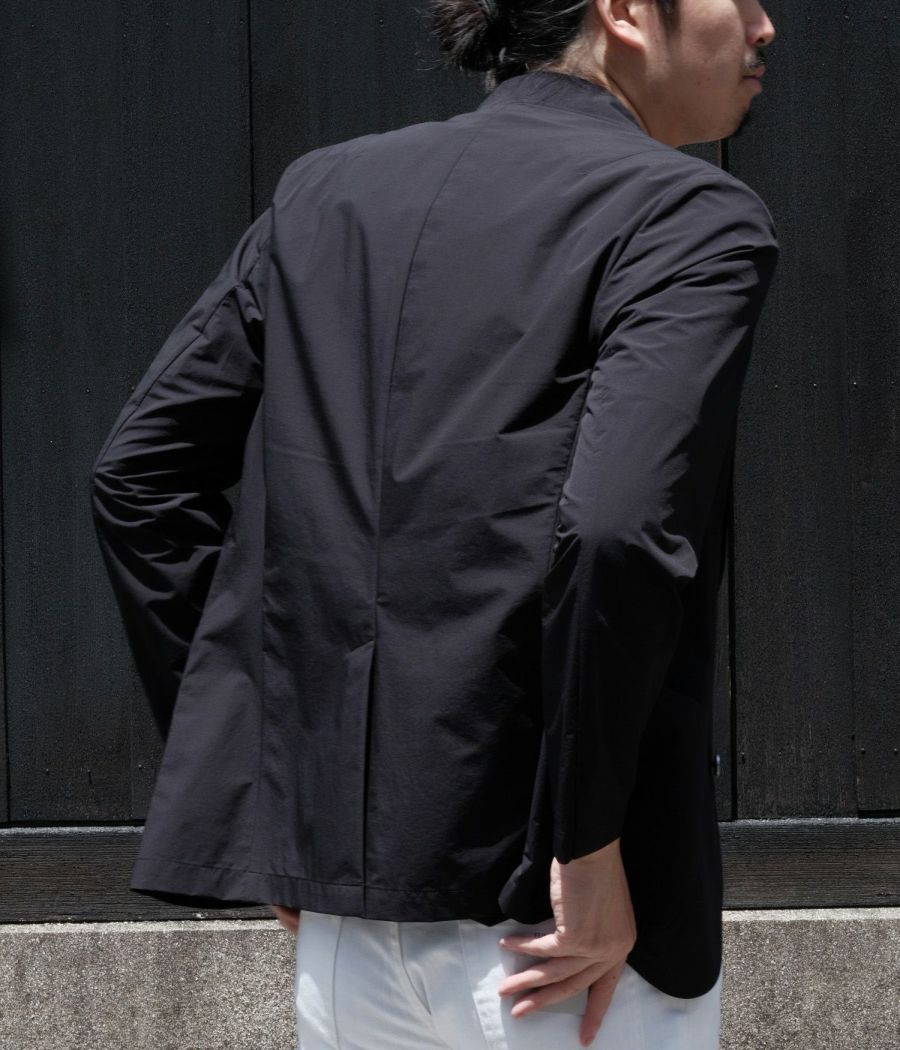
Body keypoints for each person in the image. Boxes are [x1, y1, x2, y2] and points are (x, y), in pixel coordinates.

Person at [89, 0, 778, 1047]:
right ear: (628, 12)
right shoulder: (689, 215)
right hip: (567, 935)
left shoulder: (327, 192)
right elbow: (614, 531)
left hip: (348, 930)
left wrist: (280, 794)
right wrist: (589, 841)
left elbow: (139, 476)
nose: (767, 27)